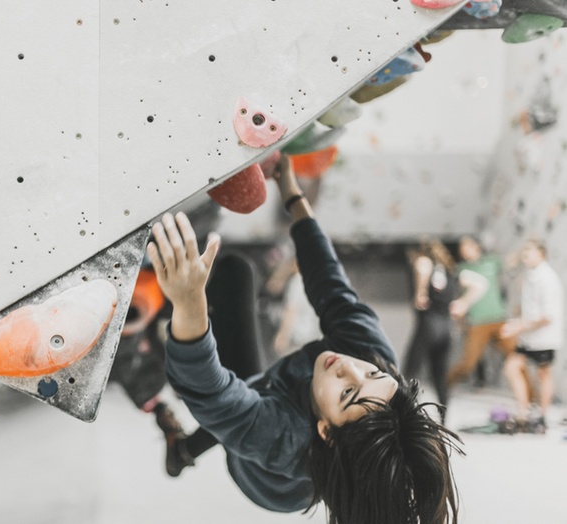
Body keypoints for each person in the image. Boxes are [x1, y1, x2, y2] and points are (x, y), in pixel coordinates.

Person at [147, 155, 462, 524]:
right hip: (281, 409)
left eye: (347, 394)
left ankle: (183, 445)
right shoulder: (372, 354)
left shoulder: (282, 439)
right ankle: (183, 451)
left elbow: (212, 394)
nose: (348, 367)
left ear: (326, 429)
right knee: (236, 275)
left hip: (265, 482)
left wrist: (188, 303)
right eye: (374, 377)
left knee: (238, 403)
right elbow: (329, 280)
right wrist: (291, 192)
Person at [403, 239, 487, 418]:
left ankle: (404, 415)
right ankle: (443, 419)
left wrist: (420, 292)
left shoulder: (424, 261)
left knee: (410, 371)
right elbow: (480, 284)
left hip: (429, 325)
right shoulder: (452, 271)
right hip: (446, 328)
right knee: (439, 375)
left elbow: (422, 267)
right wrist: (463, 303)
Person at [500, 239, 564, 432]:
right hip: (528, 336)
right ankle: (524, 410)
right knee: (512, 367)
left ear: (541, 253)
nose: (525, 254)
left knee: (543, 373)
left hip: (543, 336)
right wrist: (518, 321)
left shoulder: (548, 279)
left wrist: (520, 326)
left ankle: (542, 416)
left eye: (529, 251)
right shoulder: (529, 276)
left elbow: (547, 316)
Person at [446, 236, 521, 390]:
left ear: (476, 246)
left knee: (517, 357)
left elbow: (510, 261)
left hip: (499, 318)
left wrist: (524, 247)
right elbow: (458, 296)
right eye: (462, 248)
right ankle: (444, 385)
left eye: (466, 246)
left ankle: (532, 399)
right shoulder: (461, 269)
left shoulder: (491, 262)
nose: (463, 250)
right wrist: (460, 319)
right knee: (468, 363)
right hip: (477, 321)